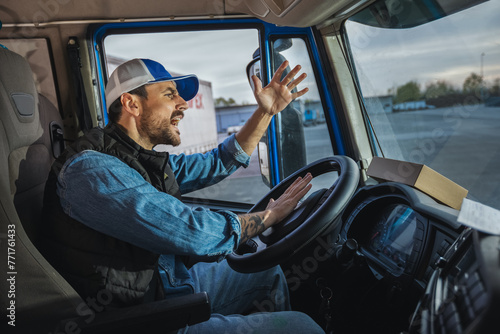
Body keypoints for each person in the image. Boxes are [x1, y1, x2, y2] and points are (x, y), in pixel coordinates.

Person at [41, 58, 325, 333]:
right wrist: (268, 217)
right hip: (142, 318)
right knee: (304, 327)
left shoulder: (136, 160)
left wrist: (266, 112)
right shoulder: (92, 170)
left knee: (266, 271)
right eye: (170, 94)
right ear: (131, 104)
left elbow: (218, 162)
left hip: (165, 285)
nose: (184, 105)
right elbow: (192, 233)